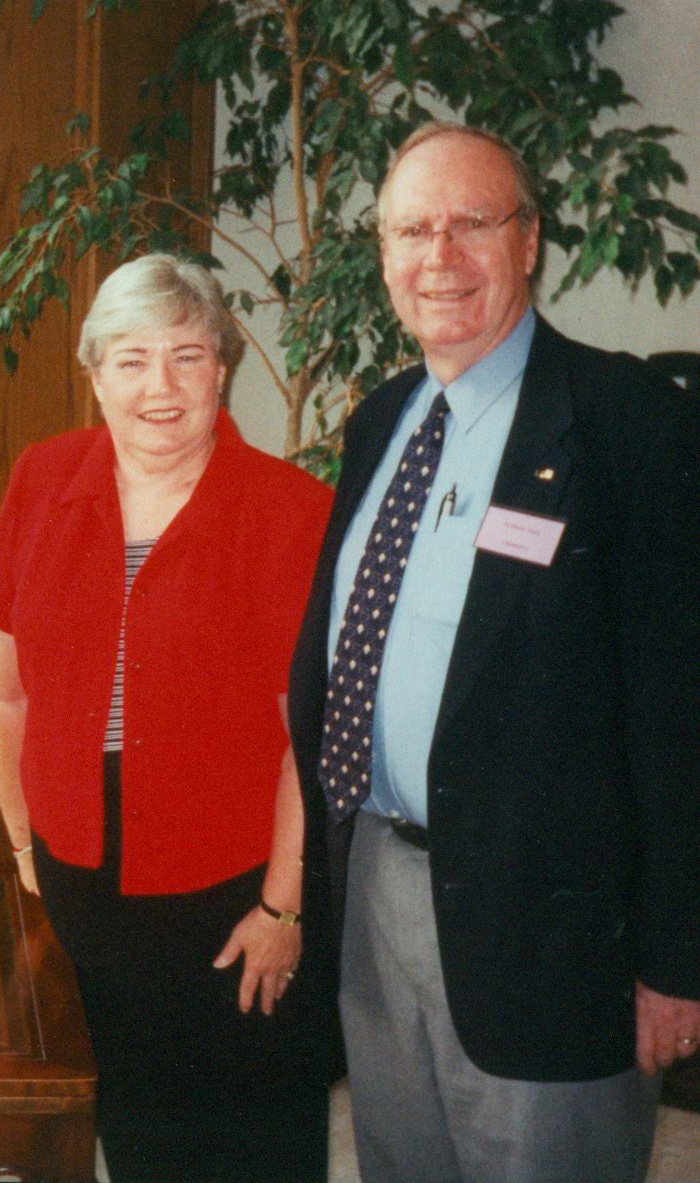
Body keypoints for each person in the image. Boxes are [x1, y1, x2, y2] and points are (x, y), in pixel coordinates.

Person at [286, 121, 700, 1183]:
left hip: (557, 932)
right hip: (379, 885)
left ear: (530, 241)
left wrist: (676, 958)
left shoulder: (630, 423)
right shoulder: (380, 420)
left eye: (472, 223)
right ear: (380, 255)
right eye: (412, 229)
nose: (441, 257)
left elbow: (679, 713)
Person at [0, 253, 335, 1182]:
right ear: (95, 373)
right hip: (81, 873)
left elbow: (314, 736)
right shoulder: (42, 480)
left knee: (255, 1135)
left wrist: (284, 906)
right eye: (131, 360)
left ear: (222, 367)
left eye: (186, 355)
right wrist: (25, 852)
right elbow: (4, 694)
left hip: (233, 886)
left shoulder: (291, 511)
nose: (160, 386)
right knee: (135, 1130)